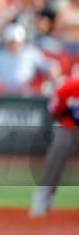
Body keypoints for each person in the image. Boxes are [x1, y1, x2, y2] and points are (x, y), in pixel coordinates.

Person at [29, 77, 79, 217]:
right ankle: (43, 196)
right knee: (58, 149)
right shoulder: (69, 88)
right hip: (70, 127)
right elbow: (53, 110)